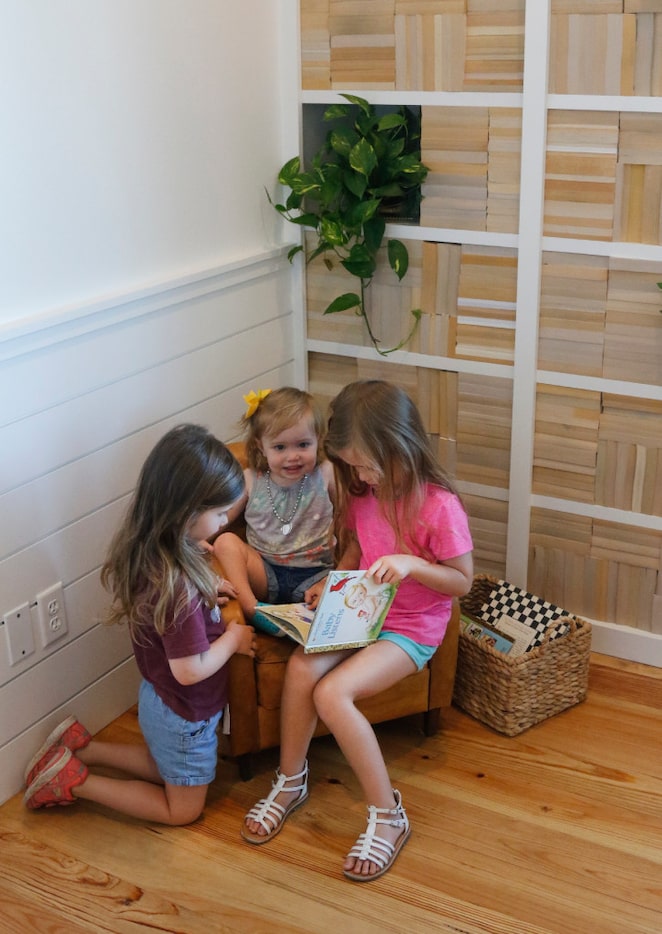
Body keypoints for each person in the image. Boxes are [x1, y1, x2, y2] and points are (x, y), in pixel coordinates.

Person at [241, 380, 474, 882]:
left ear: (401, 446)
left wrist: (412, 564)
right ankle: (290, 780)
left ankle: (389, 816)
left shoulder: (438, 506)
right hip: (363, 611)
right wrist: (332, 580)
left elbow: (461, 581)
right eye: (352, 464)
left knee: (334, 694)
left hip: (410, 629)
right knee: (302, 669)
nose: (361, 474)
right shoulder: (363, 492)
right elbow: (355, 551)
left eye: (368, 463)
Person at [23, 424, 256, 825]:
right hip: (184, 712)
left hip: (164, 703)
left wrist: (206, 589)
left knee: (165, 765)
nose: (222, 524)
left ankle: (81, 749)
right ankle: (73, 780)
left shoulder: (160, 552)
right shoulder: (176, 587)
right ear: (186, 512)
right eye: (219, 514)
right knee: (182, 809)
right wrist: (233, 638)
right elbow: (189, 669)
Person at [213, 387, 335, 631]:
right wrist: (194, 542)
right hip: (264, 573)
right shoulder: (250, 479)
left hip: (316, 575)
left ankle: (310, 623)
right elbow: (220, 520)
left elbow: (350, 519)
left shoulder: (325, 473)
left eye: (303, 444)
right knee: (225, 542)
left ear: (318, 440)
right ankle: (253, 609)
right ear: (261, 446)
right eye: (280, 448)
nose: (292, 457)